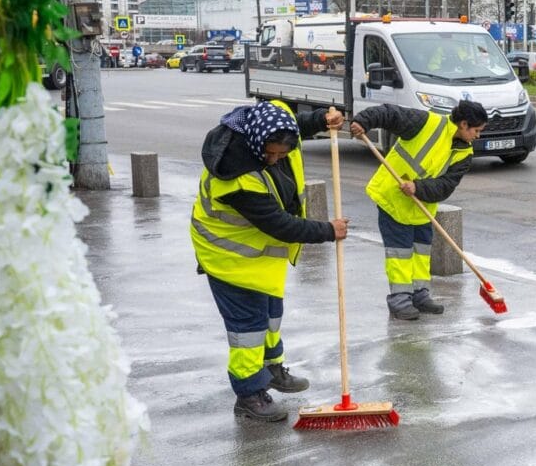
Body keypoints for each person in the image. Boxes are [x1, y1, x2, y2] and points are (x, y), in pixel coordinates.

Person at [191, 99, 348, 422]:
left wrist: (323, 119)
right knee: (247, 328)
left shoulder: (267, 126)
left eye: (282, 154)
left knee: (271, 316)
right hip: (229, 257)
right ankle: (249, 394)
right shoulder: (237, 177)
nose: (274, 159)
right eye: (270, 153)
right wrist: (328, 231)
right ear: (255, 141)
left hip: (260, 255)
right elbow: (279, 224)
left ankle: (272, 369)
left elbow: (296, 125)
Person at [350, 99, 489, 320]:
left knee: (421, 252)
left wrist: (418, 187)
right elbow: (390, 112)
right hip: (393, 198)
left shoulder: (465, 153)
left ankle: (419, 295)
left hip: (423, 206)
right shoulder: (427, 123)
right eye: (477, 130)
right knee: (400, 252)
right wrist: (363, 121)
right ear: (464, 124)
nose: (478, 135)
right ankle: (399, 300)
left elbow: (446, 186)